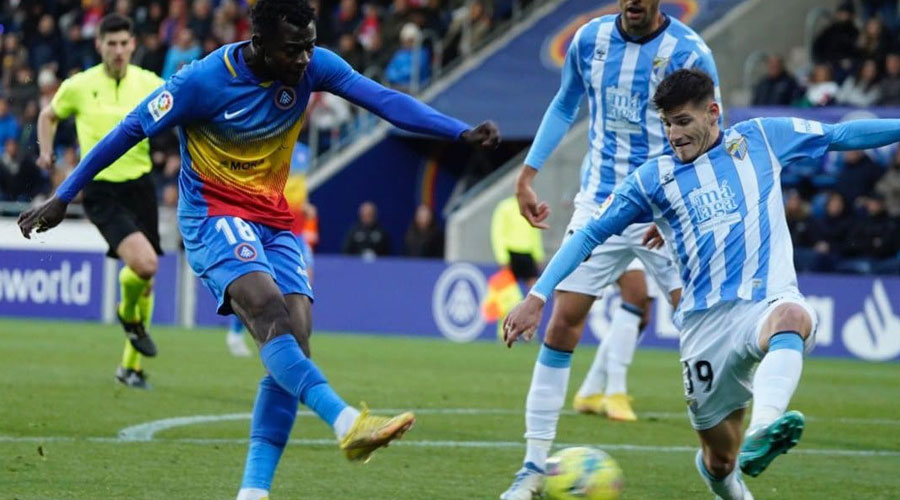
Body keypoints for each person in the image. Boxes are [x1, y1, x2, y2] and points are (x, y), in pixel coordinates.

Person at [17, 1, 500, 499]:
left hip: (272, 220)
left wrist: (457, 131)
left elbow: (383, 99)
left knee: (295, 343)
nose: (304, 58)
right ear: (259, 43)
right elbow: (128, 131)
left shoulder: (314, 66)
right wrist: (64, 194)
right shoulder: (202, 81)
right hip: (212, 216)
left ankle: (253, 492)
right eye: (293, 49)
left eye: (310, 45)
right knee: (267, 310)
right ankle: (346, 421)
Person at [504, 68, 900, 500]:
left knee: (793, 316)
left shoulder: (761, 139)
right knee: (719, 460)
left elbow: (841, 135)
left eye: (683, 121)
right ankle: (731, 483)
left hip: (764, 301)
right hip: (703, 328)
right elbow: (590, 235)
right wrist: (538, 295)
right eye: (668, 124)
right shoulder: (652, 180)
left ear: (713, 113)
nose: (674, 134)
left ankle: (766, 426)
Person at [501, 1, 719, 497]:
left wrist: (682, 202)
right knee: (563, 320)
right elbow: (564, 104)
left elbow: (711, 128)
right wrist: (528, 171)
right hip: (601, 201)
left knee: (705, 327)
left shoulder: (690, 51)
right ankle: (533, 467)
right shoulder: (589, 40)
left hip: (666, 208)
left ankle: (728, 460)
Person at [36, 14, 164, 389]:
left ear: (133, 44)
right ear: (99, 45)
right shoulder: (79, 85)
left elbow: (183, 107)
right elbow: (48, 115)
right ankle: (126, 313)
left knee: (147, 279)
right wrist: (47, 154)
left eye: (125, 43)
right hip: (101, 190)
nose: (119, 50)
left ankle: (132, 368)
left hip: (141, 186)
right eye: (112, 44)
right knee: (144, 263)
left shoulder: (150, 83)